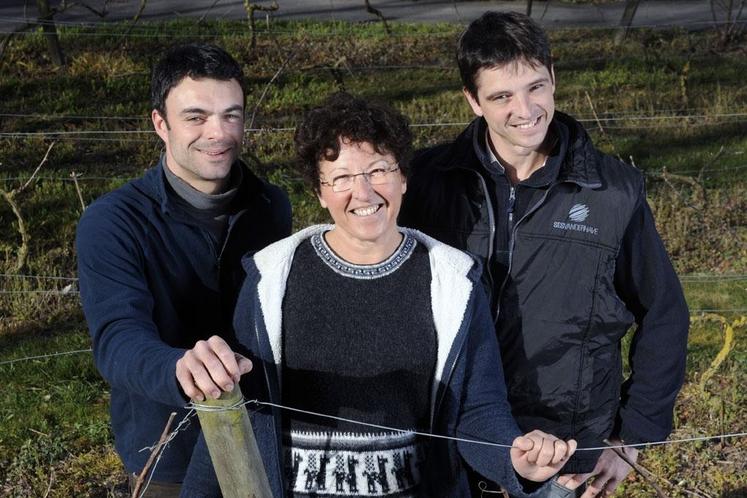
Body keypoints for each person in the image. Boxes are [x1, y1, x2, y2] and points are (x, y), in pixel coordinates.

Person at [178, 92, 578, 497]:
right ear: (320, 192)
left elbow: (478, 412)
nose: (364, 192)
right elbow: (234, 408)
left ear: (404, 177)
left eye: (378, 170)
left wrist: (516, 462)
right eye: (342, 177)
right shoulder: (272, 278)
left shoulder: (453, 282)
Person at [398, 11, 690, 498]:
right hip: (448, 440)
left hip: (564, 451)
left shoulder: (612, 191)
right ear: (472, 100)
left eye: (536, 87)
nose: (525, 108)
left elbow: (663, 311)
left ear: (553, 77)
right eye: (501, 96)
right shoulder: (428, 182)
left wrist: (632, 434)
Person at [76, 43, 292, 496]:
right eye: (196, 116)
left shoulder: (271, 206)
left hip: (264, 436)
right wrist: (179, 367)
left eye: (231, 115)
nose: (218, 132)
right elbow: (117, 337)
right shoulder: (113, 222)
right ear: (161, 123)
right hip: (167, 448)